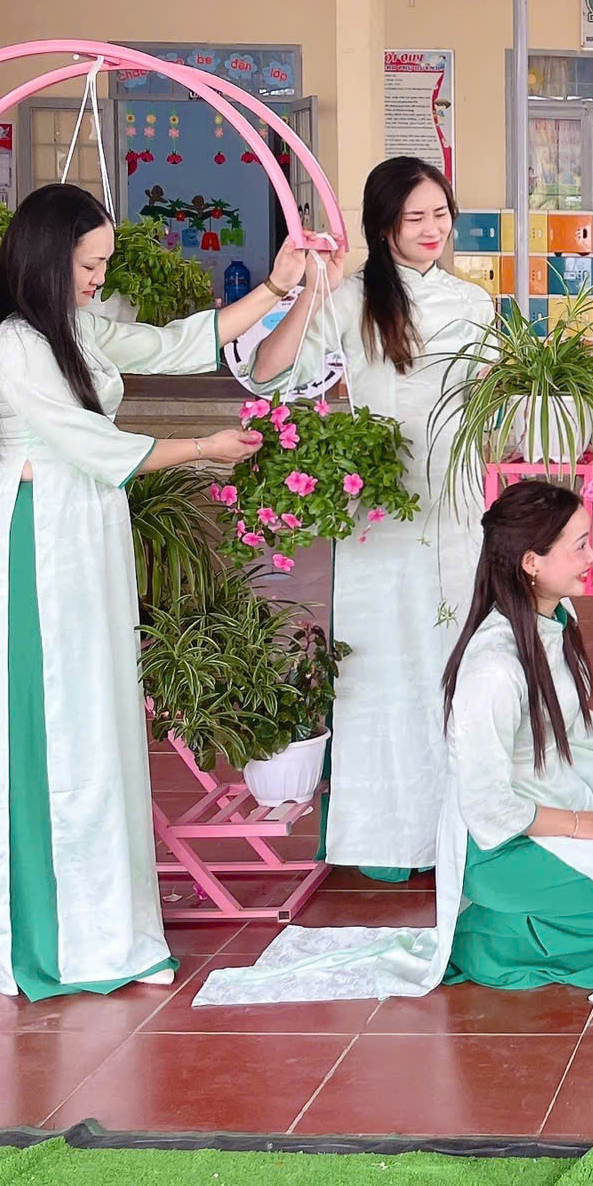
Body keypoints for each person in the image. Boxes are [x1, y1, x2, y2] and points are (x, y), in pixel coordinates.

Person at [198, 482, 593, 1006]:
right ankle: (499, 941)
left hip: (564, 787)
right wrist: (583, 825)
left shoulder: (554, 621)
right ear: (531, 562)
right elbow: (487, 806)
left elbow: (573, 723)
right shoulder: (492, 667)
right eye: (580, 545)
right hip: (508, 843)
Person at [0, 182, 325, 999]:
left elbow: (174, 345)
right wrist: (202, 448)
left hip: (88, 532)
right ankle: (53, 945)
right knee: (59, 736)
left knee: (104, 730)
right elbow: (93, 445)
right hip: (42, 544)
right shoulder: (17, 343)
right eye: (88, 264)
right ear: (48, 258)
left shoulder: (71, 327)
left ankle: (113, 932)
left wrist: (277, 286)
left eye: (103, 264)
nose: (98, 279)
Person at [246, 156, 491, 883]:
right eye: (415, 217)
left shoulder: (473, 303)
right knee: (383, 662)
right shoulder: (352, 299)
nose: (431, 229)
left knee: (458, 655)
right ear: (383, 225)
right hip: (380, 505)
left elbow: (491, 399)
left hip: (456, 500)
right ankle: (389, 837)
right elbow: (269, 373)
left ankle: (465, 828)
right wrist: (309, 292)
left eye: (440, 214)